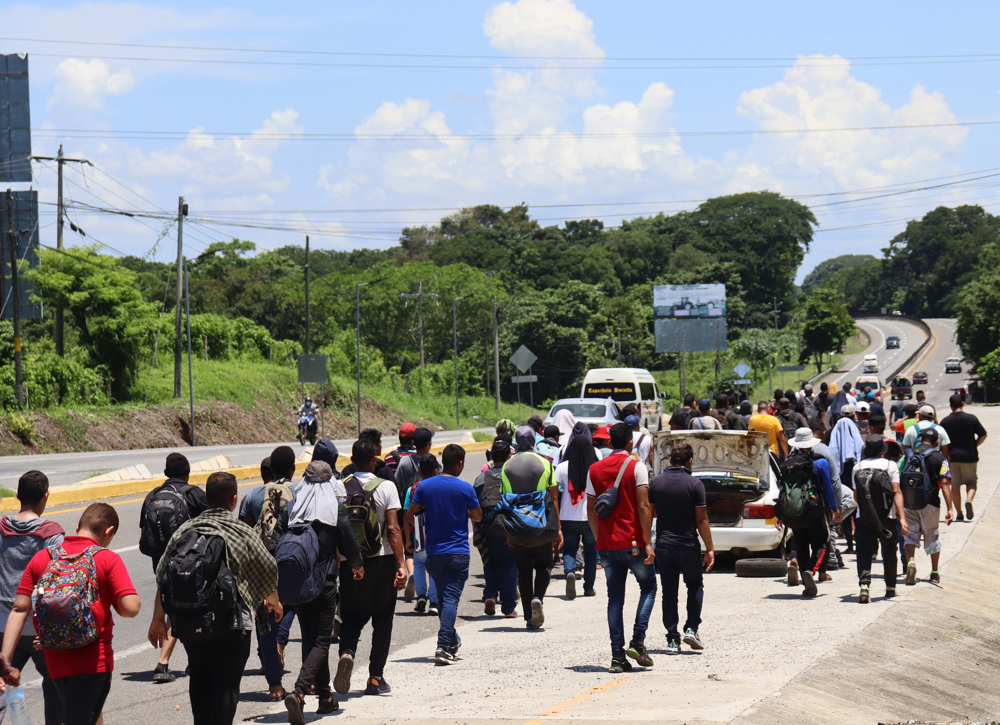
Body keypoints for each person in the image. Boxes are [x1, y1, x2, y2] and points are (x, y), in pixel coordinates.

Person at [150, 472, 280, 725]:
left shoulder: (184, 530)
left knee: (199, 677)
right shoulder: (241, 531)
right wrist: (274, 602)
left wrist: (158, 619)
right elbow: (268, 569)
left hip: (190, 622)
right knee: (226, 686)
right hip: (231, 625)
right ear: (234, 500)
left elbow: (162, 575)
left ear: (206, 497)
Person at [3, 503, 140, 725]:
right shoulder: (107, 559)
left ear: (78, 526)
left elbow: (19, 609)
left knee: (88, 715)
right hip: (94, 661)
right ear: (108, 531)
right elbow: (131, 608)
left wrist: (5, 662)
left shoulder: (42, 558)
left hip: (55, 658)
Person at [283, 461, 364, 722]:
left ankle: (326, 697)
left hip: (297, 585)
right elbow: (348, 539)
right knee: (322, 641)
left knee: (311, 640)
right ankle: (300, 692)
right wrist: (358, 565)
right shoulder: (332, 507)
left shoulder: (293, 507)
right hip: (325, 584)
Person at [335, 438, 406, 697]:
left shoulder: (339, 487)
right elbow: (392, 528)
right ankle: (375, 679)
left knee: (352, 618)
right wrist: (401, 564)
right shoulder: (386, 486)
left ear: (352, 460)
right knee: (383, 619)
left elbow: (335, 530)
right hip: (382, 560)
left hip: (351, 563)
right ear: (374, 459)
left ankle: (347, 652)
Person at [586, 422, 657, 674]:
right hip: (634, 543)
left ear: (609, 442)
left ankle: (617, 658)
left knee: (614, 599)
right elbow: (644, 507)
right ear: (629, 442)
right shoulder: (636, 467)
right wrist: (648, 542)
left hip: (606, 545)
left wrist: (598, 538)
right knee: (648, 587)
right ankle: (637, 642)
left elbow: (590, 510)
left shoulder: (594, 469)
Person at [406, 445, 481, 665]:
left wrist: (421, 535)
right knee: (449, 600)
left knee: (441, 598)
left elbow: (411, 515)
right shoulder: (465, 488)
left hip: (434, 552)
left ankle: (451, 639)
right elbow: (478, 516)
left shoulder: (425, 486)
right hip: (458, 552)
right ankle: (442, 647)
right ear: (459, 463)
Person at [0, 471, 65, 725]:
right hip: (39, 627)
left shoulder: (1, 529)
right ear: (46, 496)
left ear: (17, 496)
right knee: (56, 685)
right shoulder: (52, 535)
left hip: (4, 627)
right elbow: (58, 583)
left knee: (2, 682)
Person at [139, 452, 208, 684]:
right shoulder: (194, 494)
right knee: (187, 609)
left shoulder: (152, 496)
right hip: (189, 562)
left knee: (174, 608)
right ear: (187, 473)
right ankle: (164, 662)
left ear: (167, 474)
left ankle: (180, 662)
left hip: (160, 563)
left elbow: (143, 536)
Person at [240, 446, 298, 700]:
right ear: (293, 468)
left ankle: (274, 684)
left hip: (262, 566)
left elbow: (242, 534)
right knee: (294, 605)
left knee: (264, 618)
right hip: (294, 562)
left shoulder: (253, 496)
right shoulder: (299, 492)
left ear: (270, 469)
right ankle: (315, 680)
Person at [648, 443, 714, 654]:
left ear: (670, 461)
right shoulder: (695, 485)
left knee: (669, 592)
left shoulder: (655, 483)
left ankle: (672, 640)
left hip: (664, 546)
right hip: (688, 545)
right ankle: (691, 629)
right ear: (689, 461)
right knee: (694, 585)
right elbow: (702, 519)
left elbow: (648, 515)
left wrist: (647, 543)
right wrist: (710, 548)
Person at [500, 426, 562, 629]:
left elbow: (506, 500)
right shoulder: (544, 463)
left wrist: (508, 532)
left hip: (517, 526)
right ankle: (538, 598)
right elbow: (553, 497)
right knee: (545, 564)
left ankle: (528, 616)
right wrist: (557, 528)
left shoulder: (507, 466)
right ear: (534, 440)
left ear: (516, 441)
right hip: (541, 525)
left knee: (524, 570)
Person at [775, 429, 840, 596]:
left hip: (794, 512)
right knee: (822, 544)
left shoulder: (788, 462)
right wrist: (834, 508)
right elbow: (828, 488)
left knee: (802, 546)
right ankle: (811, 571)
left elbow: (783, 490)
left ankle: (806, 582)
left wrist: (779, 514)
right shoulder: (820, 462)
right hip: (815, 511)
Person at [852, 436, 908, 603]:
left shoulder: (857, 467)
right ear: (882, 451)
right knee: (890, 551)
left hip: (864, 517)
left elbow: (856, 496)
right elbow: (897, 492)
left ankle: (864, 585)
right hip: (887, 517)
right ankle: (890, 588)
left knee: (863, 551)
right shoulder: (890, 466)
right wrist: (902, 517)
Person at [472, 442, 519, 616]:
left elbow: (474, 507)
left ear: (491, 457)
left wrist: (476, 531)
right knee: (510, 566)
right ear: (508, 457)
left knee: (490, 564)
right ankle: (508, 607)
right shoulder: (513, 476)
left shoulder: (481, 478)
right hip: (509, 528)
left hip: (487, 528)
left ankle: (490, 595)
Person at [903, 428, 953, 587]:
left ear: (920, 438)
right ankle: (934, 572)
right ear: (936, 442)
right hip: (930, 502)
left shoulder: (908, 454)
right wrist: (950, 508)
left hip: (909, 502)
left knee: (910, 535)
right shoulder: (940, 458)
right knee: (932, 536)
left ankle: (910, 563)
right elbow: (945, 483)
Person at [557, 427, 599, 600]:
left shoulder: (561, 467)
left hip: (567, 516)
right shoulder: (596, 468)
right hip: (590, 517)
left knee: (569, 550)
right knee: (590, 552)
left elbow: (556, 493)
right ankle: (588, 587)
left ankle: (569, 572)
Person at [939, 393, 987, 522]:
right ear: (962, 404)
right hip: (970, 456)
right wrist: (974, 445)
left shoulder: (945, 421)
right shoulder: (971, 419)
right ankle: (969, 500)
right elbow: (983, 434)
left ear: (950, 406)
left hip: (952, 458)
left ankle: (959, 513)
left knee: (955, 484)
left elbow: (941, 441)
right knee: (971, 481)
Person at [407, 454, 443, 614]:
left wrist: (409, 537)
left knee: (419, 565)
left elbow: (406, 515)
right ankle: (434, 602)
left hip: (418, 535)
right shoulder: (441, 487)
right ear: (436, 470)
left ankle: (421, 596)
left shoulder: (412, 489)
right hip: (436, 534)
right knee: (435, 567)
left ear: (420, 470)